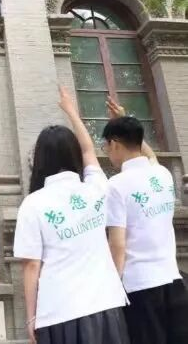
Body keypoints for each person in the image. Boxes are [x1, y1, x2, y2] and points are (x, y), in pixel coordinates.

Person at [13, 87, 129, 344]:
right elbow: (88, 152)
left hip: (59, 312)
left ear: (39, 160)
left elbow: (31, 266)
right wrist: (72, 113)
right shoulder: (96, 188)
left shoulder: (33, 204)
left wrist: (31, 318)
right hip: (105, 305)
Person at [104, 97, 188, 344]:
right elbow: (149, 155)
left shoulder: (116, 185)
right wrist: (126, 119)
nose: (107, 153)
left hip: (139, 286)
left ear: (115, 144)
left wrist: (112, 285)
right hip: (172, 279)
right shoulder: (162, 174)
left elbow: (117, 244)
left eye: (106, 147)